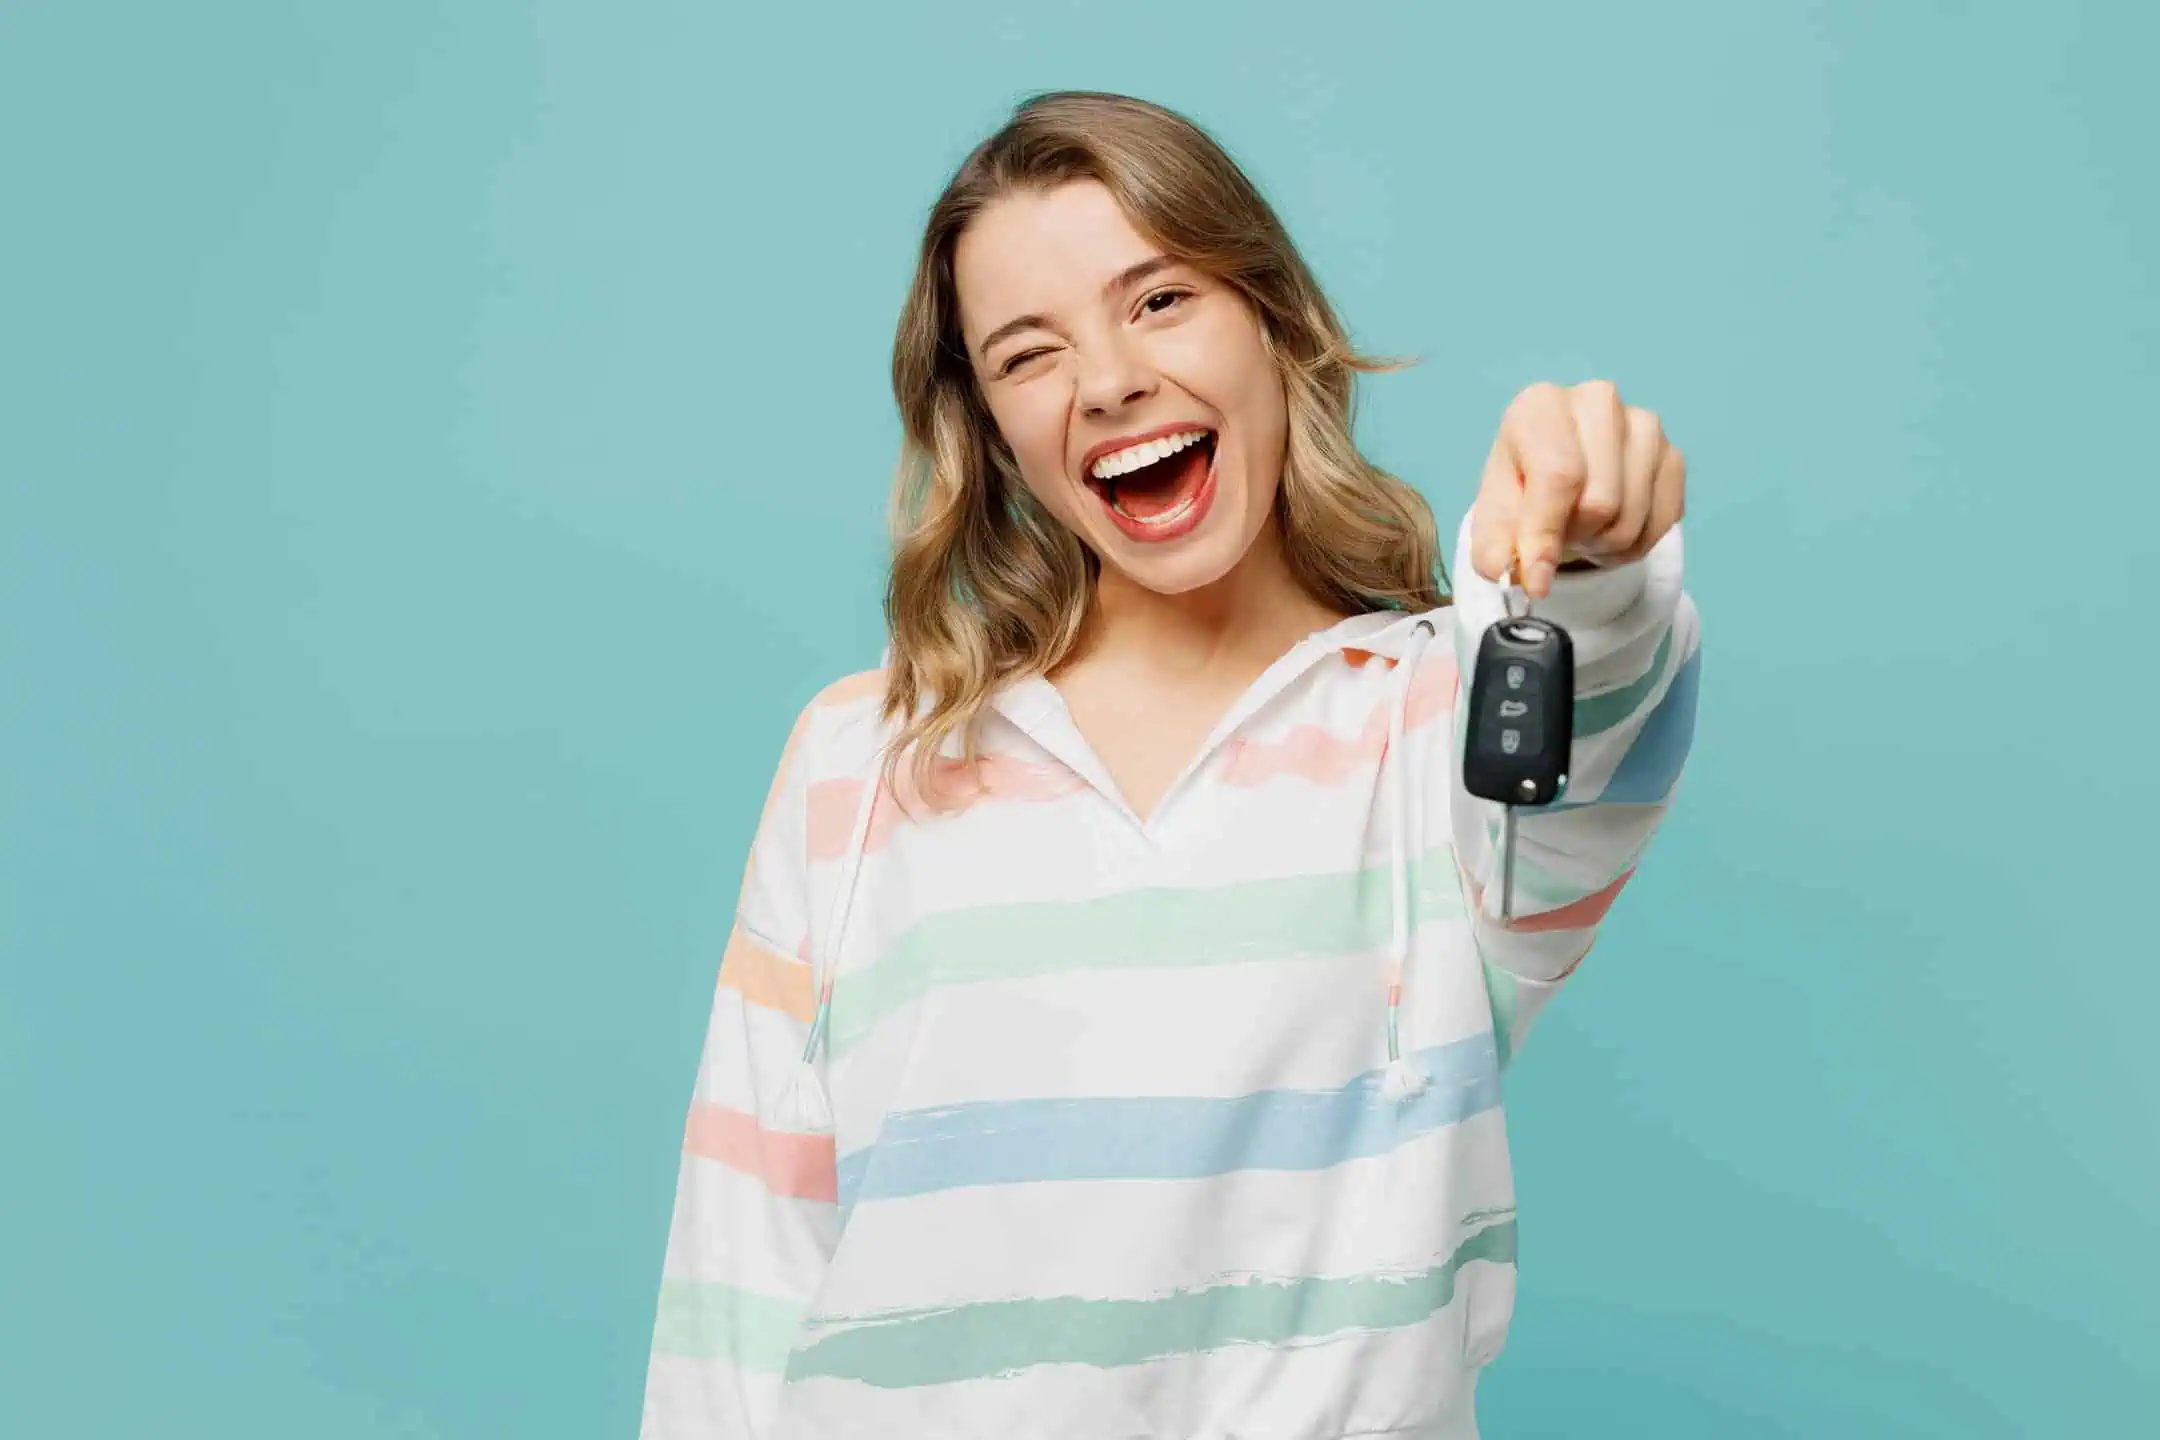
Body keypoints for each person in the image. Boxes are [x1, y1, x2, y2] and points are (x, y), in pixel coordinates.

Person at [640, 90, 1701, 1440]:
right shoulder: (860, 762)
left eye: (1158, 302)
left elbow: (1605, 703)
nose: (1105, 382)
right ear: (995, 433)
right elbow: (738, 1289)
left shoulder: (1430, 728)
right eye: (1028, 355)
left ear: (1273, 322)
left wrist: (1593, 549)